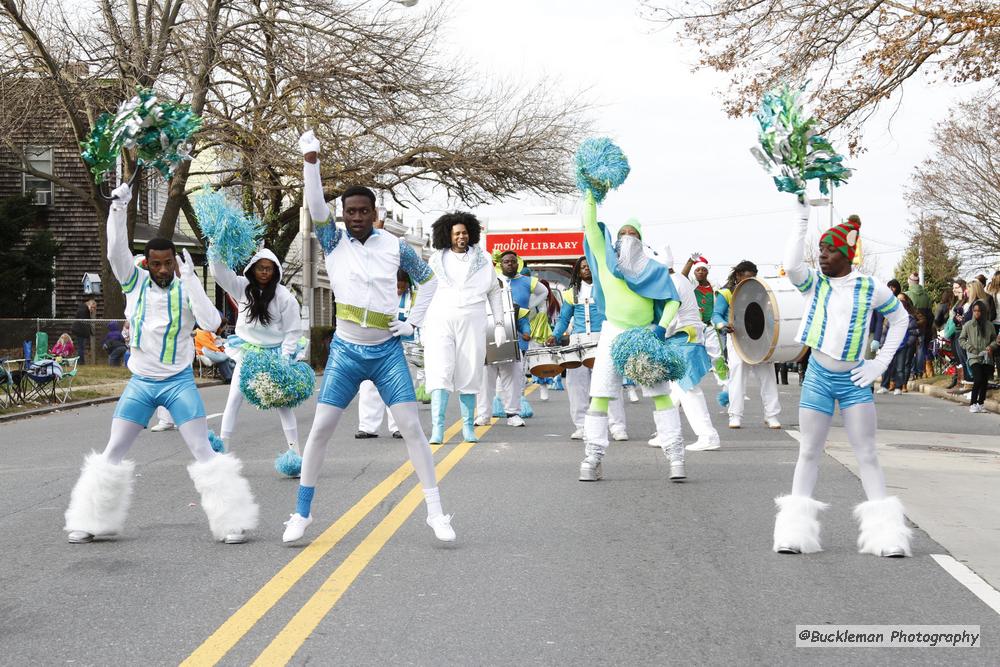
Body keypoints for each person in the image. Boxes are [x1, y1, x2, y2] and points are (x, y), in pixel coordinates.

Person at [64, 182, 259, 545]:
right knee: (114, 449)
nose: (163, 269)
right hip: (141, 383)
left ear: (174, 262)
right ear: (147, 263)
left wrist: (192, 283)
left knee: (202, 449)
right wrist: (119, 209)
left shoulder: (185, 286)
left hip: (179, 383)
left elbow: (212, 323)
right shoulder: (133, 282)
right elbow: (114, 251)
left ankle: (232, 521)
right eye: (157, 264)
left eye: (168, 263)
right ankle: (90, 520)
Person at [283, 130, 454, 544]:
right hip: (344, 351)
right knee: (321, 429)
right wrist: (311, 161)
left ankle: (435, 512)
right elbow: (314, 202)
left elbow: (429, 281)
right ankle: (301, 514)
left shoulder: (395, 247)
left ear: (375, 213)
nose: (356, 217)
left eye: (363, 211)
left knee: (412, 429)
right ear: (342, 215)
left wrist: (411, 321)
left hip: (386, 351)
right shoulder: (332, 241)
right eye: (349, 212)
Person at [774, 202, 911, 557]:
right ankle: (793, 533)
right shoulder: (814, 284)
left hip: (854, 379)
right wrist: (801, 217)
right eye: (820, 249)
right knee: (808, 451)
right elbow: (790, 264)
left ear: (848, 254)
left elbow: (901, 321)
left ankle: (887, 536)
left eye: (830, 250)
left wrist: (879, 364)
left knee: (867, 453)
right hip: (818, 376)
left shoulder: (871, 287)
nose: (822, 256)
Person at [578, 194, 685, 481]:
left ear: (641, 240)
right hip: (612, 333)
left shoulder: (654, 270)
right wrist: (589, 191)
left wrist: (661, 328)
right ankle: (593, 456)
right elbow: (589, 225)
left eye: (633, 234)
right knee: (599, 394)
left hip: (645, 335)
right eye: (623, 232)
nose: (627, 237)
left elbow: (672, 301)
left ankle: (675, 455)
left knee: (660, 394)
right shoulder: (605, 260)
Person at [422, 212, 506, 443]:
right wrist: (420, 325)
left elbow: (494, 291)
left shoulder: (484, 259)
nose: (461, 236)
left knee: (470, 372)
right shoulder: (435, 259)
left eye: (465, 232)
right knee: (440, 370)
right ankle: (438, 429)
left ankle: (468, 427)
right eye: (457, 233)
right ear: (448, 235)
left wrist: (499, 324)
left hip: (473, 318)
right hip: (441, 319)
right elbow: (425, 293)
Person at [209, 248, 301, 451]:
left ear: (276, 271)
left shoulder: (284, 296)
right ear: (253, 269)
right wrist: (216, 246)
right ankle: (222, 450)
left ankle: (295, 453)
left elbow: (293, 330)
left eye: (269, 269)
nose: (265, 272)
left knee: (283, 404)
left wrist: (284, 359)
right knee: (233, 399)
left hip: (275, 354)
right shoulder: (242, 287)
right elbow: (220, 274)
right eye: (261, 268)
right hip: (248, 353)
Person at [547, 256, 627, 441]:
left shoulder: (605, 289)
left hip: (603, 339)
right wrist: (556, 335)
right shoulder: (570, 293)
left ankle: (617, 426)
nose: (586, 270)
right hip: (578, 342)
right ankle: (582, 426)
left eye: (589, 266)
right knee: (576, 385)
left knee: (610, 383)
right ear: (578, 271)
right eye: (583, 267)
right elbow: (564, 319)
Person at [656, 247, 721, 452]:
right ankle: (666, 432)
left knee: (688, 390)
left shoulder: (672, 284)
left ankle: (708, 436)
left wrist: (658, 335)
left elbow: (672, 318)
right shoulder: (679, 280)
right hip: (685, 339)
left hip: (683, 339)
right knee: (675, 390)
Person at [475, 250, 545, 427]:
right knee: (485, 382)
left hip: (513, 343)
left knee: (513, 379)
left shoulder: (517, 296)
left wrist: (527, 328)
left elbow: (523, 319)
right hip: (487, 342)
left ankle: (513, 413)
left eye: (513, 262)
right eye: (506, 262)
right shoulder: (483, 295)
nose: (510, 265)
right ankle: (483, 415)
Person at [714, 261, 781, 429]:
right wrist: (722, 325)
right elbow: (716, 315)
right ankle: (735, 415)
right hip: (737, 339)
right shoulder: (726, 293)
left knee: (768, 377)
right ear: (738, 275)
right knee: (737, 378)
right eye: (746, 277)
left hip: (761, 340)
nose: (749, 280)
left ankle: (772, 415)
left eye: (752, 277)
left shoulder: (761, 291)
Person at [357, 270, 418, 440]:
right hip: (377, 344)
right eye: (396, 285)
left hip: (404, 346)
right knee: (369, 385)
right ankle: (367, 427)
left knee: (398, 387)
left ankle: (399, 426)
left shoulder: (414, 298)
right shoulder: (377, 294)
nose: (399, 289)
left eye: (402, 286)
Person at [959, 300, 998, 413]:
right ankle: (973, 403)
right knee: (978, 378)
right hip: (974, 356)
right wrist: (970, 347)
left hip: (986, 357)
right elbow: (961, 339)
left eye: (979, 311)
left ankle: (981, 403)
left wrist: (991, 347)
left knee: (984, 381)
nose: (977, 313)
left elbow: (994, 340)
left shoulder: (989, 325)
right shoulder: (968, 325)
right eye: (975, 311)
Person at [72, 298, 96, 364]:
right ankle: (81, 362)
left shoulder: (83, 309)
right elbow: (84, 323)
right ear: (90, 305)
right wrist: (87, 333)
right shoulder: (84, 310)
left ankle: (81, 361)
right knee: (81, 347)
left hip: (80, 331)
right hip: (80, 331)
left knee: (81, 347)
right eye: (93, 307)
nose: (93, 309)